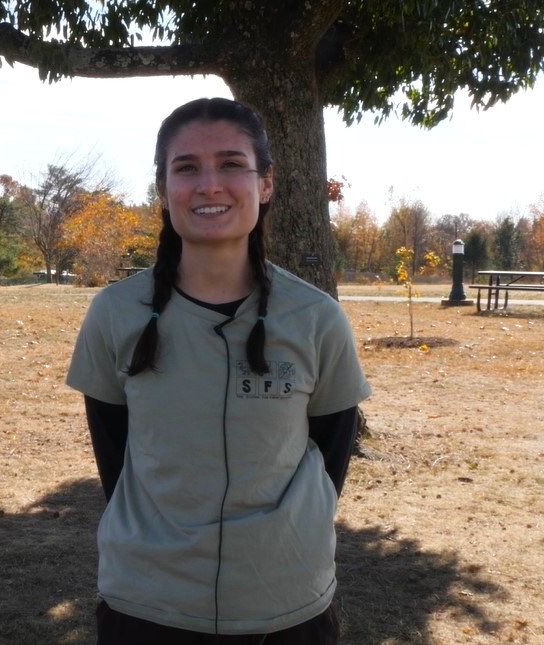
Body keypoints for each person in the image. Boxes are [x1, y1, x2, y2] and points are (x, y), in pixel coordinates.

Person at [66, 97, 372, 644]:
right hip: (147, 606)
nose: (210, 185)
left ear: (267, 183)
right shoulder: (115, 314)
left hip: (288, 605)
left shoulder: (316, 318)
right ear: (162, 190)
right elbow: (113, 452)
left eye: (232, 164)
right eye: (186, 168)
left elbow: (332, 449)